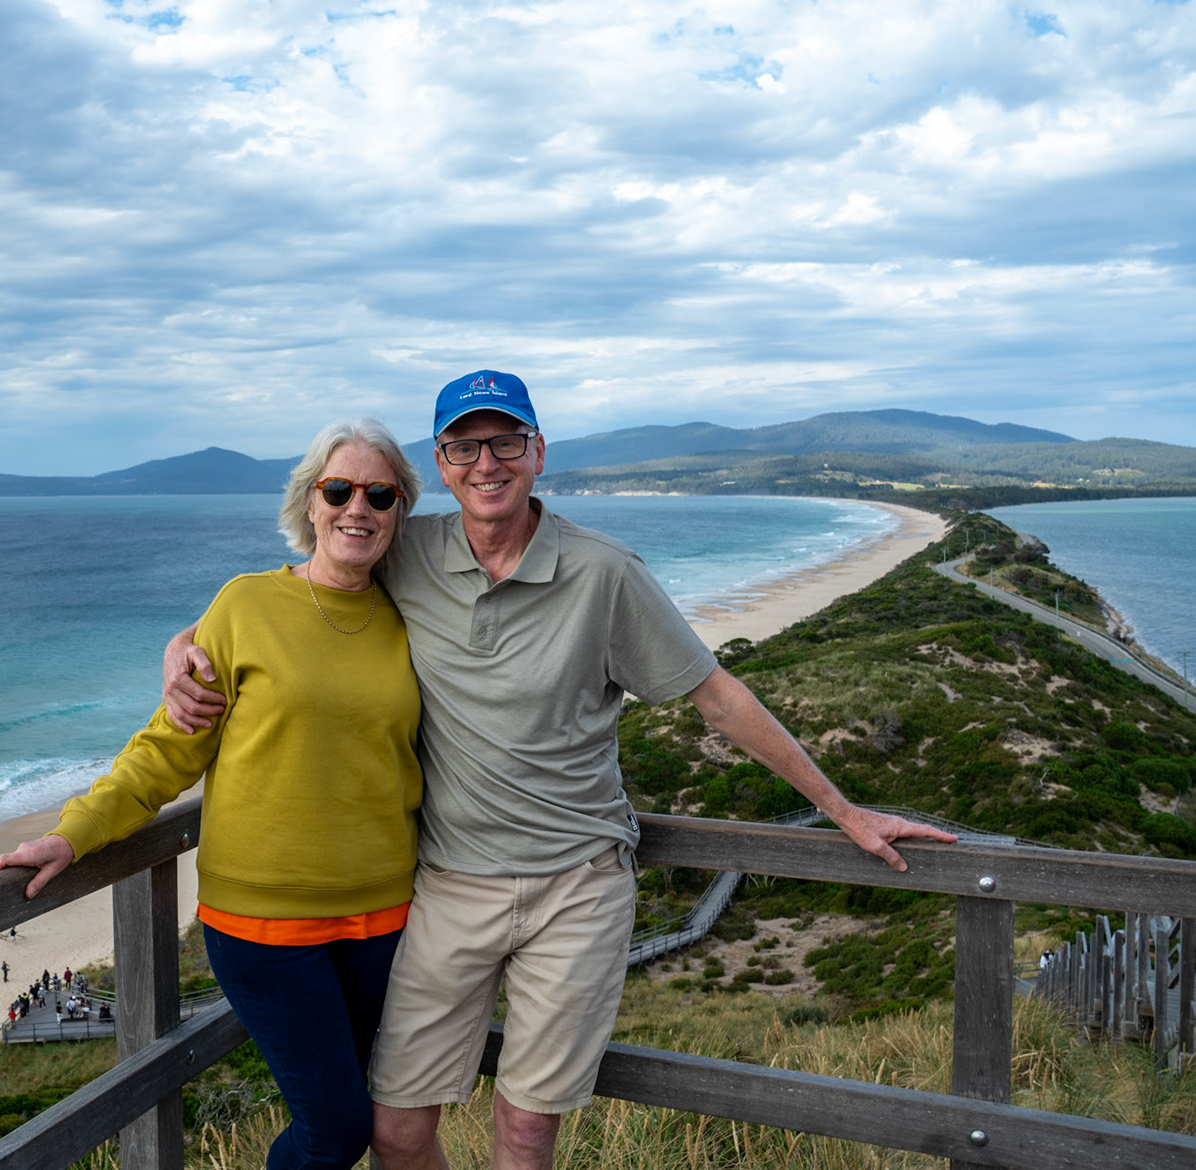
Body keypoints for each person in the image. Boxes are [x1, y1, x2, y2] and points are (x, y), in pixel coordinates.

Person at [163, 371, 956, 1170]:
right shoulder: (410, 548)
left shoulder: (604, 572)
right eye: (464, 446)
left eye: (506, 441)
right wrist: (186, 642)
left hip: (576, 885)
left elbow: (716, 697)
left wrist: (843, 809)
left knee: (525, 1128)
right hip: (448, 884)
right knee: (396, 1129)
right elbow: (302, 589)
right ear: (439, 464)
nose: (486, 463)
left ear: (538, 452)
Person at [0, 418, 427, 1170]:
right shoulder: (243, 606)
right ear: (310, 503)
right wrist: (74, 832)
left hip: (385, 920)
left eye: (380, 493)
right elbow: (168, 749)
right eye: (339, 488)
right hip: (264, 926)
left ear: (398, 511)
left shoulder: (415, 617)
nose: (359, 506)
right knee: (337, 1129)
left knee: (353, 1106)